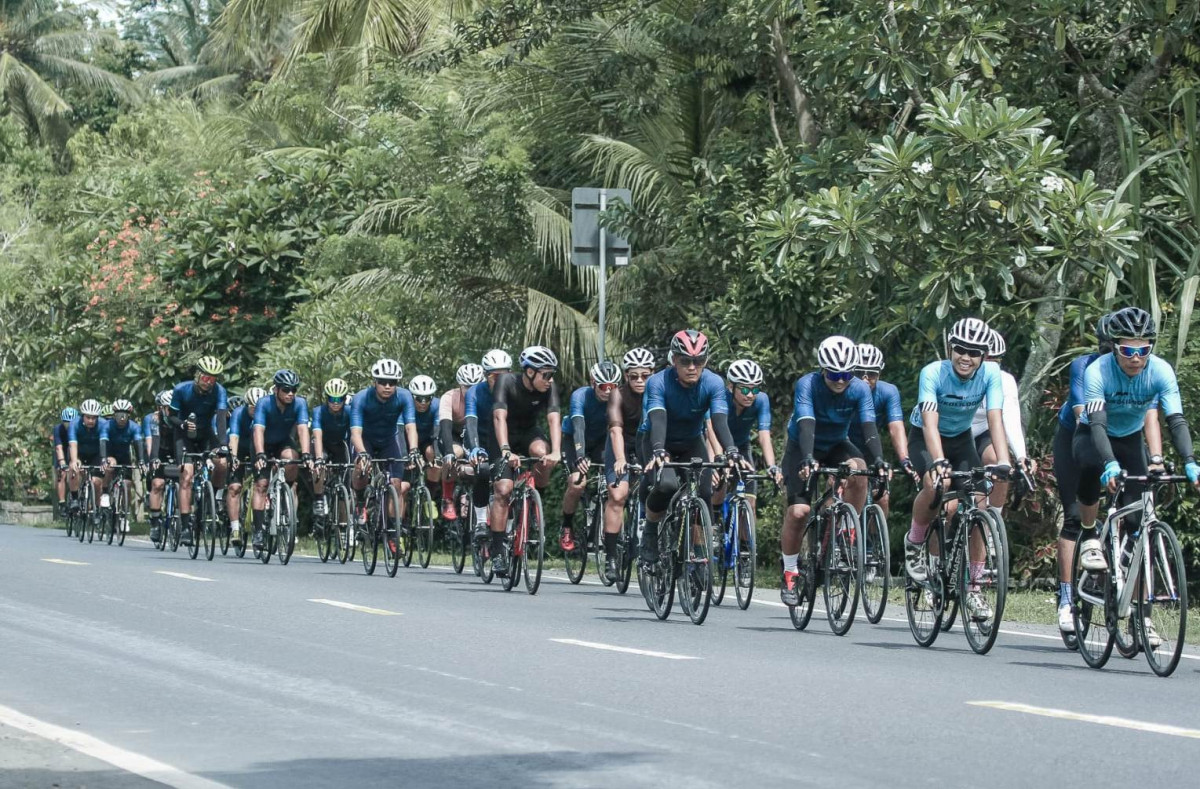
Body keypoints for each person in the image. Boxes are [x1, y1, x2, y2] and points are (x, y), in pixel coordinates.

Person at [1074, 307, 1200, 645]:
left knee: (1140, 530)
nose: (1136, 357)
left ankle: (1141, 618)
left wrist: (1190, 461)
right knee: (1088, 466)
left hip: (1130, 440)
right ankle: (1089, 534)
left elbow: (1175, 421)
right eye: (1129, 350)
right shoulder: (1097, 370)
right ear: (1115, 348)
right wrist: (1109, 465)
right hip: (1094, 436)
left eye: (1143, 349)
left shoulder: (1160, 371)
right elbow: (1097, 424)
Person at [904, 318, 1010, 623]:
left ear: (983, 356)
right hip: (926, 436)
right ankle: (915, 541)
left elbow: (995, 418)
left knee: (978, 504)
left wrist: (1002, 461)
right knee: (938, 483)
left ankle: (973, 587)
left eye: (974, 352)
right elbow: (929, 422)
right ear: (951, 348)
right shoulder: (933, 372)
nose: (966, 357)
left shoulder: (991, 374)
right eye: (960, 349)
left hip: (962, 438)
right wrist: (937, 462)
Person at [779, 337, 885, 605]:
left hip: (837, 443)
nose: (840, 380)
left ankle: (847, 527)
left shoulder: (859, 388)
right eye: (834, 374)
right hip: (803, 444)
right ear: (822, 369)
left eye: (846, 374)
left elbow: (869, 428)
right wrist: (806, 459)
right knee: (799, 512)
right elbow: (806, 424)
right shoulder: (808, 384)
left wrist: (880, 461)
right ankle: (790, 571)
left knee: (860, 470)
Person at [638, 330, 739, 564]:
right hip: (656, 439)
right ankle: (650, 533)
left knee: (704, 493)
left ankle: (697, 550)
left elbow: (720, 421)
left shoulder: (713, 382)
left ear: (705, 361)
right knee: (666, 485)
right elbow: (658, 419)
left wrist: (732, 450)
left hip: (691, 441)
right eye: (685, 361)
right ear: (674, 360)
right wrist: (658, 449)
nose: (692, 367)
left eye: (698, 361)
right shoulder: (657, 382)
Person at [1051, 315, 1112, 633]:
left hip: (1119, 438)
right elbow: (1082, 416)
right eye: (1106, 347)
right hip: (1078, 437)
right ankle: (1066, 599)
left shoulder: (1139, 367)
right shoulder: (1083, 367)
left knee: (1133, 512)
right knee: (1074, 518)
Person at [485, 345, 563, 575]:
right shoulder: (506, 382)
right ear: (530, 372)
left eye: (552, 375)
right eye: (546, 374)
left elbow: (553, 419)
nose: (549, 380)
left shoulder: (549, 388)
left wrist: (555, 451)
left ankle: (534, 497)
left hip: (529, 433)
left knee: (542, 451)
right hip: (503, 436)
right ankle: (498, 552)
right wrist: (506, 451)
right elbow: (499, 417)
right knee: (503, 489)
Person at [349, 359, 418, 550]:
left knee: (396, 485)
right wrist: (362, 453)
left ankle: (393, 535)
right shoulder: (361, 398)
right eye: (383, 382)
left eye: (392, 383)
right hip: (366, 440)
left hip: (389, 440)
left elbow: (411, 427)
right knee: (361, 466)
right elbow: (355, 433)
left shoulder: (404, 397)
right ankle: (361, 501)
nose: (387, 386)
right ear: (375, 382)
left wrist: (413, 450)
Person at [560, 360, 622, 563]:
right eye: (603, 386)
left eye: (612, 387)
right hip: (576, 440)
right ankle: (567, 525)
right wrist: (579, 456)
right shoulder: (580, 396)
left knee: (616, 483)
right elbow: (578, 428)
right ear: (593, 382)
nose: (608, 391)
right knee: (578, 482)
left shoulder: (619, 399)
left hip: (601, 443)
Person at [603, 348, 655, 578]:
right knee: (617, 494)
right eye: (634, 376)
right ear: (626, 376)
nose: (640, 381)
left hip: (649, 443)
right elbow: (615, 430)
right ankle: (611, 557)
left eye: (645, 375)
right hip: (620, 443)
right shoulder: (618, 394)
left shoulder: (659, 392)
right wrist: (621, 459)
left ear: (653, 374)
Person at [169, 355, 230, 545]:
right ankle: (186, 526)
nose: (208, 382)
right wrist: (183, 425)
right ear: (197, 376)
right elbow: (170, 417)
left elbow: (221, 419)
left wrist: (223, 444)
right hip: (184, 434)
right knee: (186, 476)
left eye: (213, 379)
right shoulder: (181, 390)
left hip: (205, 433)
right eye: (205, 377)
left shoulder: (219, 391)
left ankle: (213, 496)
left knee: (222, 463)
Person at [712, 359, 782, 518]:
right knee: (719, 484)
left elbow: (764, 436)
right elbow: (710, 431)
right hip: (717, 443)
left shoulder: (761, 400)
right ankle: (714, 523)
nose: (750, 395)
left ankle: (745, 543)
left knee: (750, 501)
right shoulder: (721, 398)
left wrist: (772, 466)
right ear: (731, 387)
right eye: (744, 390)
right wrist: (717, 461)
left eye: (755, 389)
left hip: (742, 447)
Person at [251, 370, 312, 548]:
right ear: (276, 390)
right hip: (262, 444)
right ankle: (258, 531)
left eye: (294, 389)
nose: (291, 393)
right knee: (261, 485)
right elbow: (258, 430)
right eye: (286, 390)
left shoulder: (300, 403)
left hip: (282, 442)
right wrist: (260, 454)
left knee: (292, 459)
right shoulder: (264, 403)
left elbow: (302, 429)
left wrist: (307, 454)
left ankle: (285, 492)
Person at [850, 343, 914, 516]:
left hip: (870, 447)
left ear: (879, 374)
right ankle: (831, 535)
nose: (865, 379)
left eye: (871, 374)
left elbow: (896, 427)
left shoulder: (888, 392)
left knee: (882, 498)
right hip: (842, 444)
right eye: (858, 373)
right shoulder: (842, 391)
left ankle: (875, 543)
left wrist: (904, 459)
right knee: (838, 486)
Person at [971, 329, 1029, 510]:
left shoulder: (1004, 380)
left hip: (982, 430)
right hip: (954, 432)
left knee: (999, 462)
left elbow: (1011, 420)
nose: (992, 366)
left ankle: (993, 522)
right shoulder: (961, 376)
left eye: (997, 361)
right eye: (988, 360)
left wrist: (1021, 456)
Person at [463, 349, 513, 553]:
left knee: (511, 483)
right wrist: (475, 448)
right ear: (486, 376)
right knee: (482, 469)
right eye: (495, 376)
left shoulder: (515, 391)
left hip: (504, 440)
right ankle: (481, 521)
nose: (500, 380)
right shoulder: (475, 392)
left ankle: (511, 528)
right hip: (480, 438)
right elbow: (471, 422)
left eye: (505, 375)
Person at [437, 363, 485, 520]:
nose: (471, 390)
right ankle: (447, 497)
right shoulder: (448, 398)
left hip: (477, 434)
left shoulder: (487, 396)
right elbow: (444, 427)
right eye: (467, 386)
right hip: (454, 434)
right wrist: (449, 453)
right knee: (454, 454)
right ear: (459, 385)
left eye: (475, 386)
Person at [226, 386, 267, 547]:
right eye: (252, 407)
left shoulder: (265, 414)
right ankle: (235, 528)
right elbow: (234, 437)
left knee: (262, 483)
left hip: (257, 448)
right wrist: (234, 457)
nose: (256, 410)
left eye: (258, 407)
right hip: (241, 447)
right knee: (234, 487)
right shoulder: (238, 413)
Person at [311, 378, 350, 527]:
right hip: (323, 443)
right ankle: (319, 498)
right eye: (332, 398)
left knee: (346, 485)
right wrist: (319, 458)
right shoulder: (318, 411)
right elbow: (317, 434)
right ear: (326, 398)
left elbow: (355, 434)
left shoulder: (349, 411)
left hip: (340, 444)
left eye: (339, 399)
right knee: (319, 464)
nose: (335, 402)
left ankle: (343, 526)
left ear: (344, 399)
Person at [99, 399, 144, 527]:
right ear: (114, 415)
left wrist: (140, 461)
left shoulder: (134, 427)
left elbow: (138, 444)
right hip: (110, 452)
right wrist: (104, 458)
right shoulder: (107, 426)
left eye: (124, 414)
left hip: (125, 456)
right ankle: (106, 493)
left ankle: (124, 513)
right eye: (119, 414)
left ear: (128, 415)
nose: (122, 417)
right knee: (110, 466)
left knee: (127, 485)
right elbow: (103, 443)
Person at [67, 399, 106, 514]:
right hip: (79, 453)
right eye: (88, 417)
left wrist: (104, 459)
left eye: (94, 418)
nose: (91, 420)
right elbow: (73, 444)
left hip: (96, 454)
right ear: (82, 416)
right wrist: (74, 460)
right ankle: (74, 498)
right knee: (74, 468)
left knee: (97, 482)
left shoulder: (103, 424)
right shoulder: (74, 424)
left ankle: (97, 508)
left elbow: (104, 443)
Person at [409, 374, 442, 509]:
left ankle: (430, 497)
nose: (423, 403)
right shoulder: (406, 404)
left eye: (427, 398)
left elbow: (436, 432)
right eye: (419, 398)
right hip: (408, 440)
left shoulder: (437, 405)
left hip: (427, 439)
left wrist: (438, 456)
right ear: (412, 396)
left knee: (433, 455)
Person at [52, 407, 78, 517]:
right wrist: (62, 463)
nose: (69, 425)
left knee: (78, 469)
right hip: (62, 450)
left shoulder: (80, 427)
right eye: (66, 423)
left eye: (72, 422)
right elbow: (58, 447)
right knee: (61, 473)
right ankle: (62, 503)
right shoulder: (58, 429)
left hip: (75, 448)